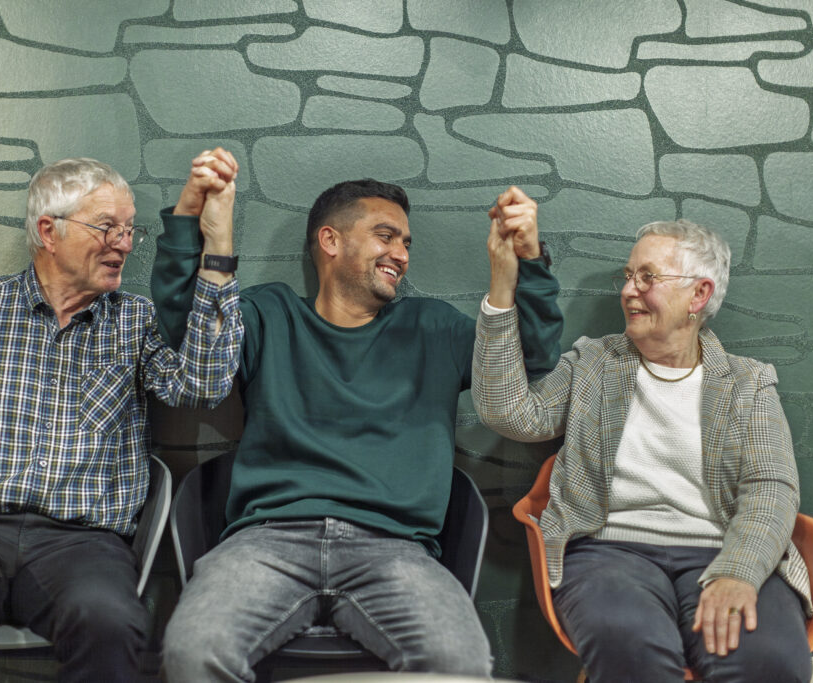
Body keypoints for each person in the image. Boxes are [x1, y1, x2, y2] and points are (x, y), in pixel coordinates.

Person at [150, 148, 564, 681]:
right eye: (386, 236)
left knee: (459, 663)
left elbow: (529, 357)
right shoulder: (269, 315)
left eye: (406, 243)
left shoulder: (433, 328)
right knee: (191, 652)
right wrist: (190, 220)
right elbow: (188, 333)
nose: (402, 254)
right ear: (331, 241)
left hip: (396, 549)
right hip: (268, 540)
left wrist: (529, 259)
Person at [0, 157, 243, 682]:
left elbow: (205, 386)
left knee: (111, 622)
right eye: (107, 228)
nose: (125, 244)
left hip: (81, 544)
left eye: (130, 230)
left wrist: (216, 250)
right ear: (47, 231)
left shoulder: (134, 321)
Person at [472, 218, 812, 682]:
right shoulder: (594, 362)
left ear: (699, 295)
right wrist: (502, 287)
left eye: (647, 277)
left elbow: (771, 487)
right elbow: (509, 413)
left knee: (768, 659)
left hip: (722, 548)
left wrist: (739, 571)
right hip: (609, 552)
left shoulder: (747, 383)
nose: (629, 291)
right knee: (629, 643)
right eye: (629, 276)